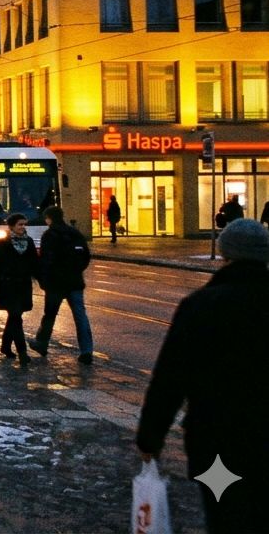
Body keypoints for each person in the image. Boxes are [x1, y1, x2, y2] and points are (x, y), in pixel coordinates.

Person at [137, 217, 269, 533]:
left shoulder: (201, 305)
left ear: (225, 253)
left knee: (224, 516)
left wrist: (150, 436)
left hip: (218, 442)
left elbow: (170, 378)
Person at [29, 205, 95, 364]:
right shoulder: (75, 233)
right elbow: (86, 256)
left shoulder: (49, 235)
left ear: (48, 218)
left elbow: (46, 261)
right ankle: (87, 351)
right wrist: (77, 271)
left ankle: (42, 343)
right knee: (80, 316)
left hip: (55, 283)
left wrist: (43, 280)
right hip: (75, 282)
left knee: (50, 315)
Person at [0, 213, 37, 365]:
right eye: (19, 225)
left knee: (14, 317)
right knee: (16, 317)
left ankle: (5, 346)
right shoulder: (3, 243)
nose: (22, 227)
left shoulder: (29, 242)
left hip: (23, 285)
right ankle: (22, 352)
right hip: (7, 286)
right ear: (12, 226)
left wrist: (43, 278)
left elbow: (35, 262)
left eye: (24, 224)